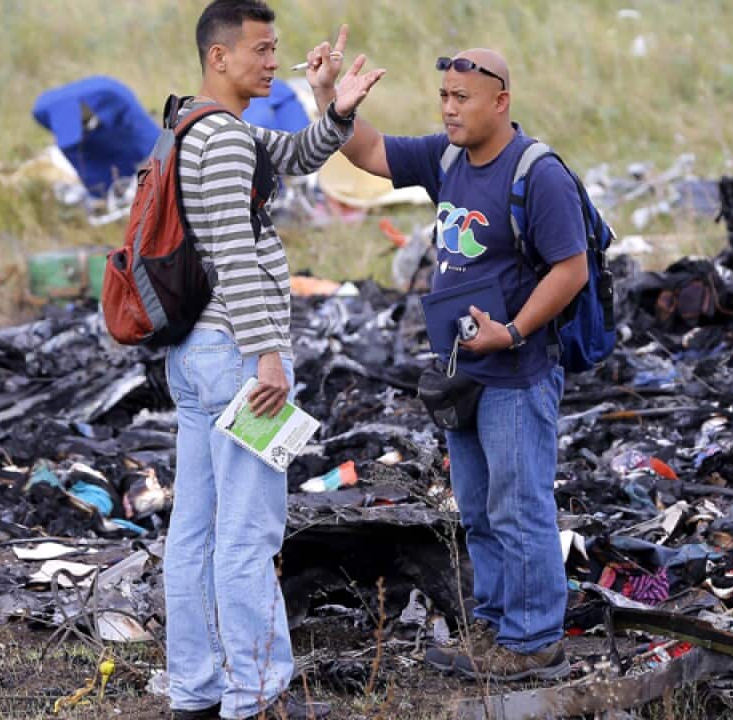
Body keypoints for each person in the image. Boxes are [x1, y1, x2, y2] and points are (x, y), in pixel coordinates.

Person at [308, 42, 588, 681]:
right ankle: (493, 628)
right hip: (463, 373)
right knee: (480, 509)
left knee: (520, 506)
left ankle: (535, 641)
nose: (450, 108)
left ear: (501, 101)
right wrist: (329, 98)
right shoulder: (447, 157)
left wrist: (513, 331)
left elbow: (571, 269)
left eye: (463, 98)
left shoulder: (534, 173)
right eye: (444, 97)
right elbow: (370, 154)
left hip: (517, 370)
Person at [162, 4, 383, 718]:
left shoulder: (195, 126)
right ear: (218, 57)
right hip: (236, 355)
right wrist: (267, 357)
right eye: (259, 50)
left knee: (193, 529)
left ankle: (194, 690)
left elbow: (290, 156)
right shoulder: (222, 141)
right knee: (249, 532)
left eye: (275, 49)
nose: (271, 62)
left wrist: (334, 107)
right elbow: (233, 257)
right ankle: (256, 694)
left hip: (195, 354)